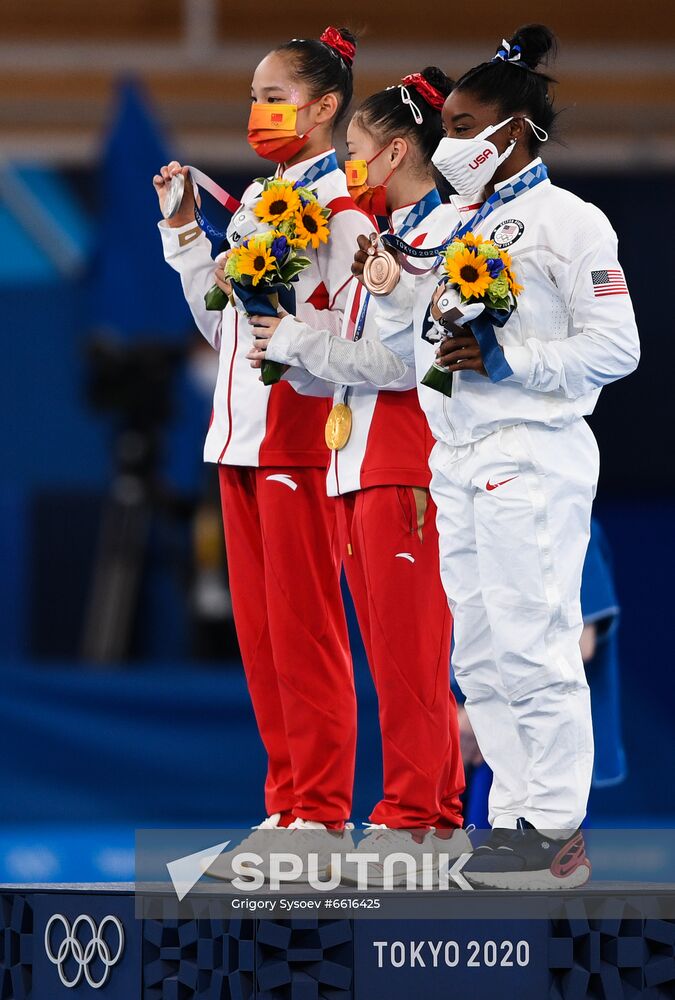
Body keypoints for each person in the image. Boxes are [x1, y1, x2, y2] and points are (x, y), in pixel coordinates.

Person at [355, 24, 640, 888]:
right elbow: (418, 346)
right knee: (475, 652)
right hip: (456, 450)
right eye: (444, 124)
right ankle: (512, 817)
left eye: (465, 123)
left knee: (534, 639)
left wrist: (516, 360)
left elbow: (616, 348)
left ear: (512, 131)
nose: (449, 142)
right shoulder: (445, 224)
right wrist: (395, 286)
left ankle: (555, 826)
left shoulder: (570, 222)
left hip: (533, 447)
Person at [153, 27, 372, 869]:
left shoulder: (345, 211)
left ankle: (323, 811)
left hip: (303, 441)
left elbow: (356, 337)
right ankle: (286, 808)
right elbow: (221, 324)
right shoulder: (253, 203)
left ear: (322, 109)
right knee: (262, 640)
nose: (257, 112)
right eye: (251, 96)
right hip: (237, 439)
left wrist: (298, 336)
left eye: (272, 98)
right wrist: (184, 236)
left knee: (307, 634)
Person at [246, 69, 469, 884]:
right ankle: (424, 813)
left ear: (396, 151)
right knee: (388, 655)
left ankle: (422, 820)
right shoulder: (388, 237)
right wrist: (289, 343)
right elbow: (347, 363)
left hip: (405, 460)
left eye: (354, 153)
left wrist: (305, 348)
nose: (345, 168)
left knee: (412, 654)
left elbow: (405, 364)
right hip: (356, 460)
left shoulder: (441, 233)